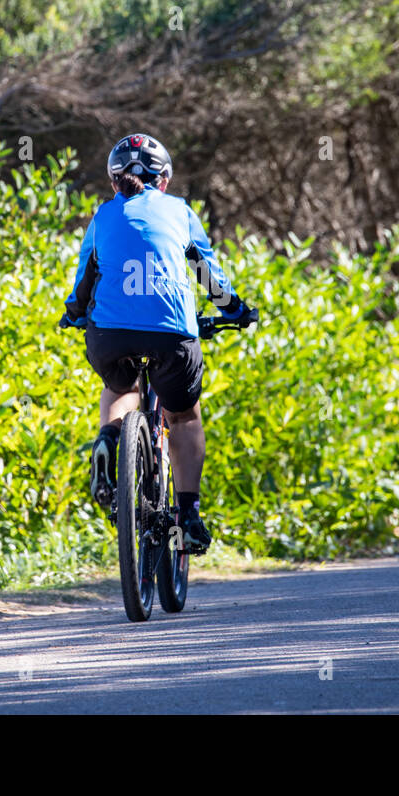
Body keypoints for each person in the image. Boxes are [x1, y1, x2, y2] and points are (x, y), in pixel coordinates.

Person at [59, 133, 256, 554]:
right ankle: (188, 515)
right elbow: (207, 276)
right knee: (183, 417)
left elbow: (84, 283)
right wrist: (236, 311)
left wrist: (75, 313)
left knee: (121, 388)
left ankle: (108, 442)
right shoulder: (180, 211)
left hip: (109, 333)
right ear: (163, 180)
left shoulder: (103, 216)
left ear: (116, 183)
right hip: (171, 333)